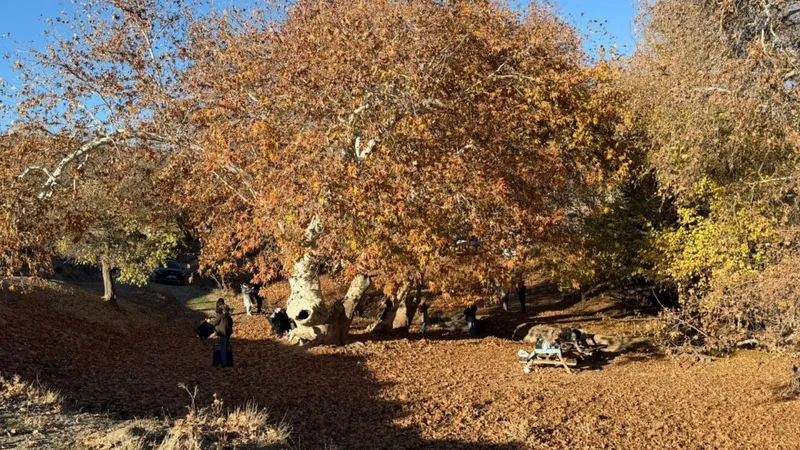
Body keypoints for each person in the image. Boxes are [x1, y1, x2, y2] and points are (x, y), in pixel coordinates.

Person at [210, 298, 234, 367]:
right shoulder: (227, 315)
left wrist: (209, 321)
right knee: (225, 347)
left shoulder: (221, 315)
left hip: (223, 333)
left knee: (223, 348)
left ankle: (224, 363)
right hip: (227, 332)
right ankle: (227, 361)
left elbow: (215, 322)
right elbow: (231, 322)